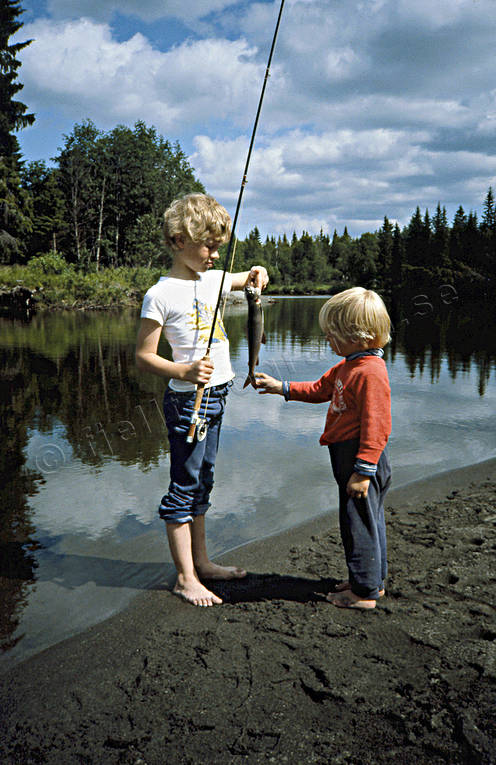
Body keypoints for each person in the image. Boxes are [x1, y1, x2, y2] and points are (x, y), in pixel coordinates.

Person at [136, 193, 268, 607]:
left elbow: (247, 277)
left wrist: (256, 273)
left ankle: (203, 562)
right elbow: (143, 356)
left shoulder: (212, 278)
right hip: (187, 402)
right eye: (208, 245)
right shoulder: (160, 294)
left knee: (203, 480)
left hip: (219, 395)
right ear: (178, 240)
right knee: (183, 486)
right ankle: (185, 577)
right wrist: (183, 371)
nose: (215, 254)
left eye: (219, 246)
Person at [256, 287, 392, 609]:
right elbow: (320, 389)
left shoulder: (370, 372)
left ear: (360, 335)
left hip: (361, 458)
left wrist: (362, 471)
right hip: (352, 457)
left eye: (333, 334)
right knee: (368, 519)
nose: (327, 338)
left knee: (357, 522)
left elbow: (378, 426)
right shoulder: (348, 365)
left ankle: (363, 593)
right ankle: (371, 580)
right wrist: (281, 387)